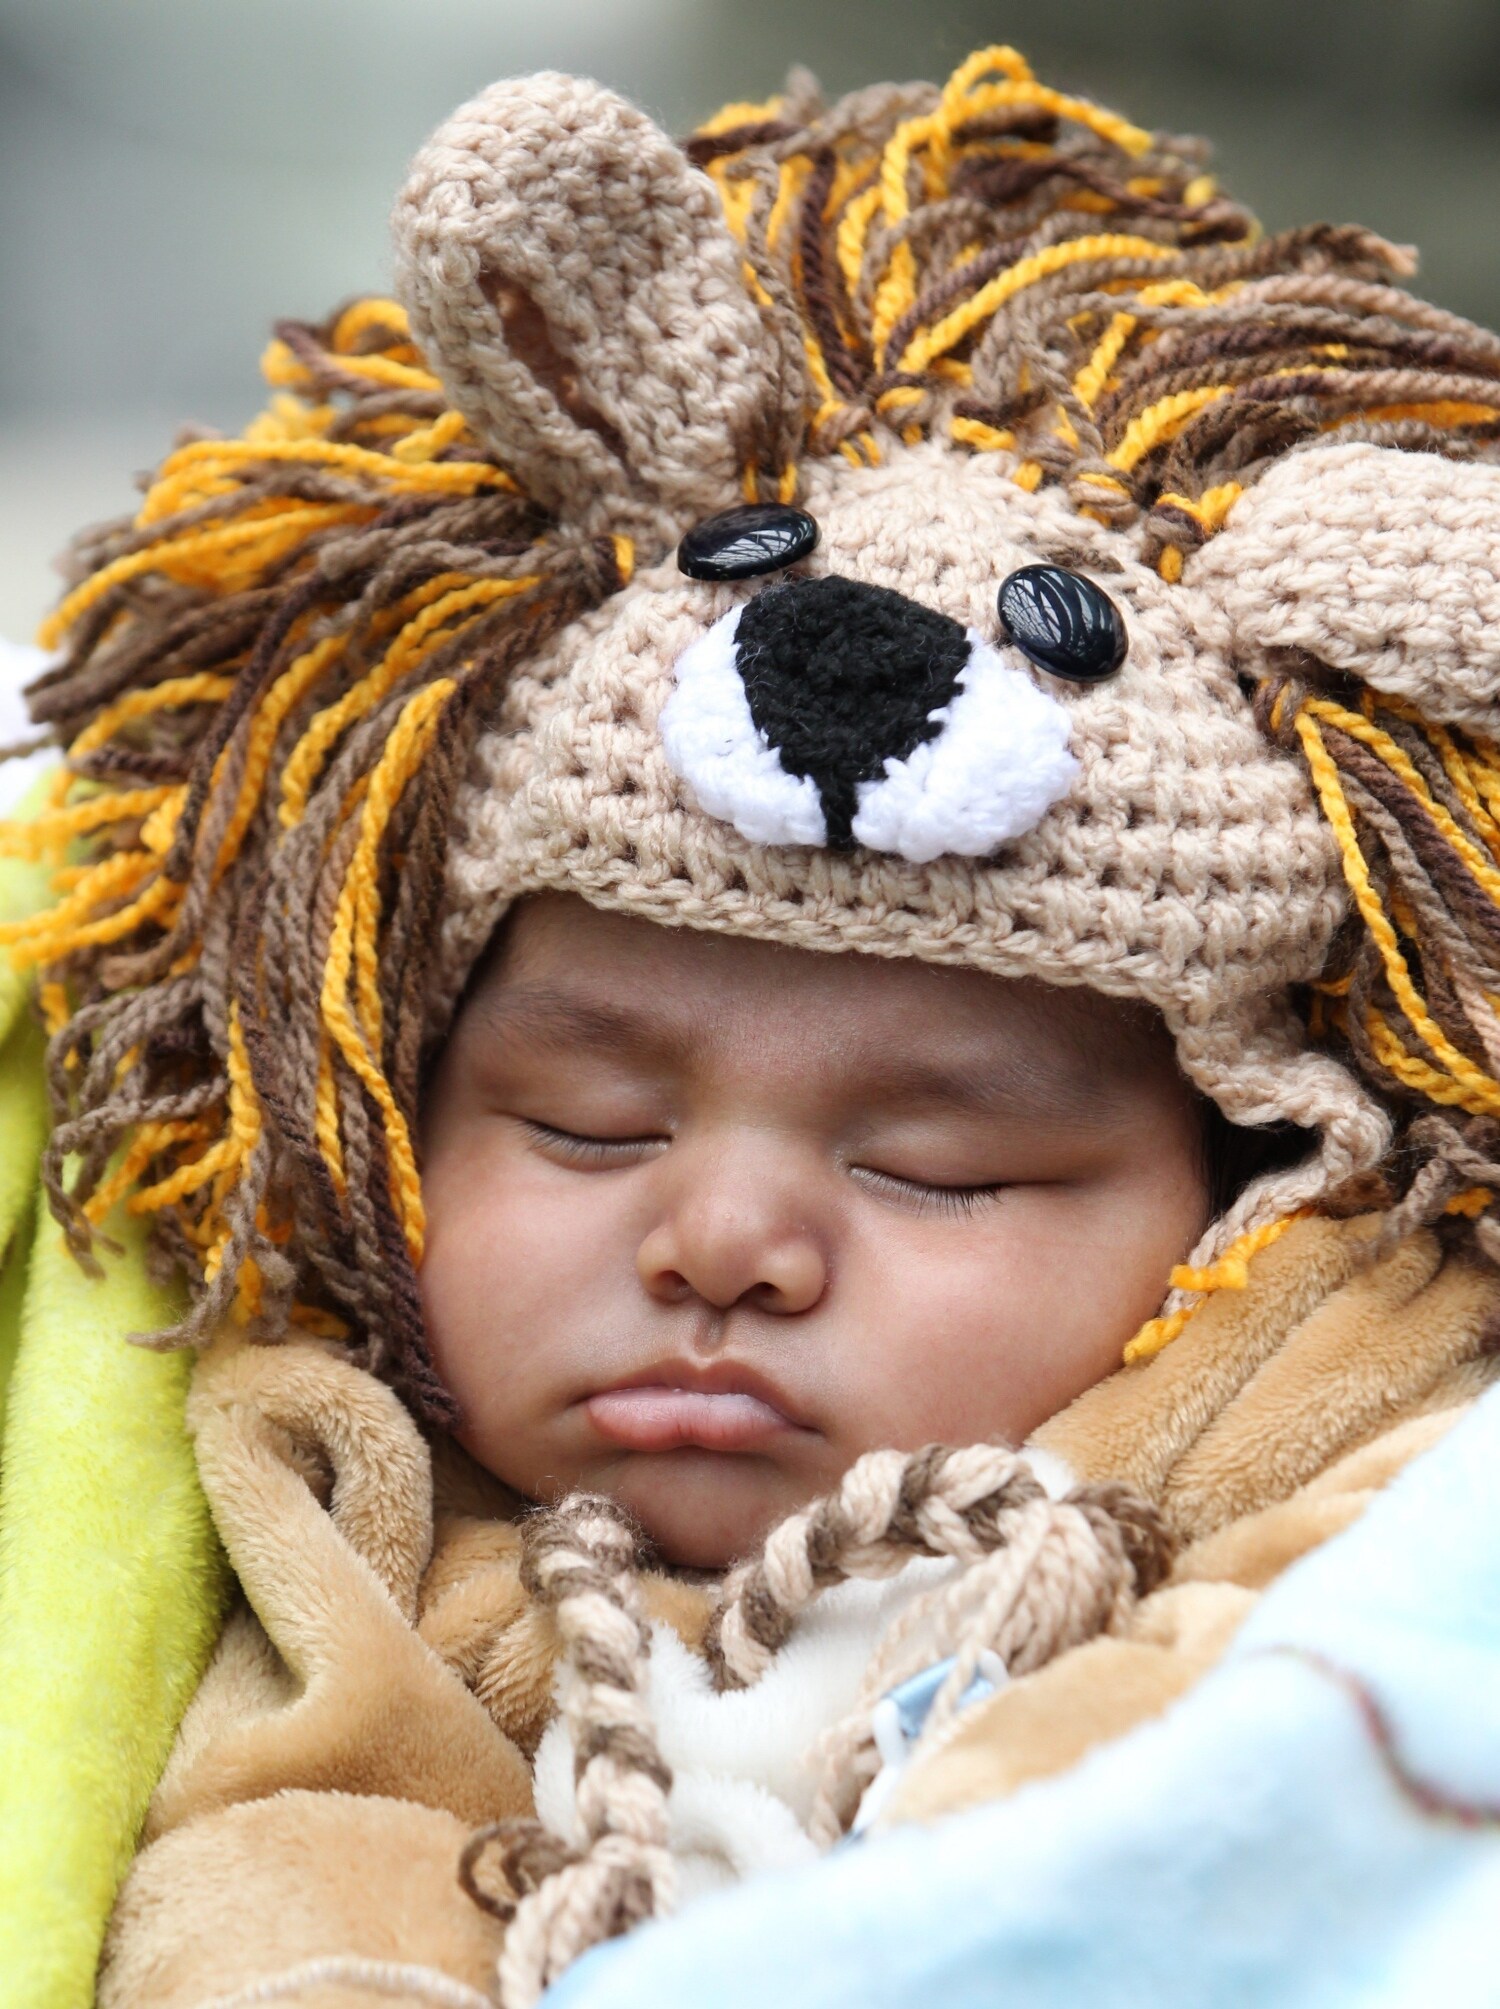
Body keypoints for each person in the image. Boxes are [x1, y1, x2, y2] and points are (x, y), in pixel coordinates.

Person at [4, 43, 1500, 2009]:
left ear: (1246, 1187)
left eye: (936, 1166)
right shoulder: (351, 1502)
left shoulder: (1343, 1442)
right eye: (588, 1126)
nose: (718, 1246)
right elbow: (297, 1843)